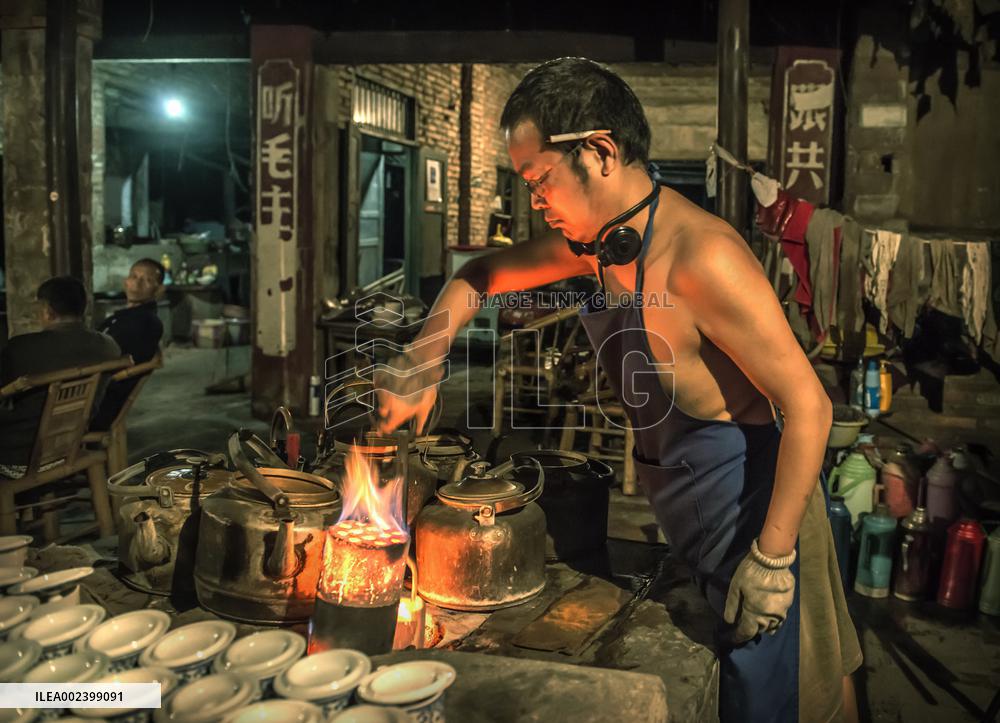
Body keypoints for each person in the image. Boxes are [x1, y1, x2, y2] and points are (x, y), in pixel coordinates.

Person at [376, 58, 861, 722]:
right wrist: (422, 358)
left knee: (781, 701)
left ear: (600, 152)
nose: (535, 201)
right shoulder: (600, 249)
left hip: (757, 522)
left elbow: (810, 406)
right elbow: (479, 277)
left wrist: (773, 559)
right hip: (689, 520)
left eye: (539, 179)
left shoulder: (702, 257)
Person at [0, 277, 122, 477]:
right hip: (69, 447)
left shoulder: (21, 348)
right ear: (83, 307)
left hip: (17, 458)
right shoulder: (108, 346)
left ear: (47, 310)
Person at [90, 258, 165, 430]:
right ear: (126, 282)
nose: (137, 283)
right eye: (134, 276)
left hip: (96, 404)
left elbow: (116, 362)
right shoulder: (123, 317)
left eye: (147, 280)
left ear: (159, 289)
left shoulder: (147, 322)